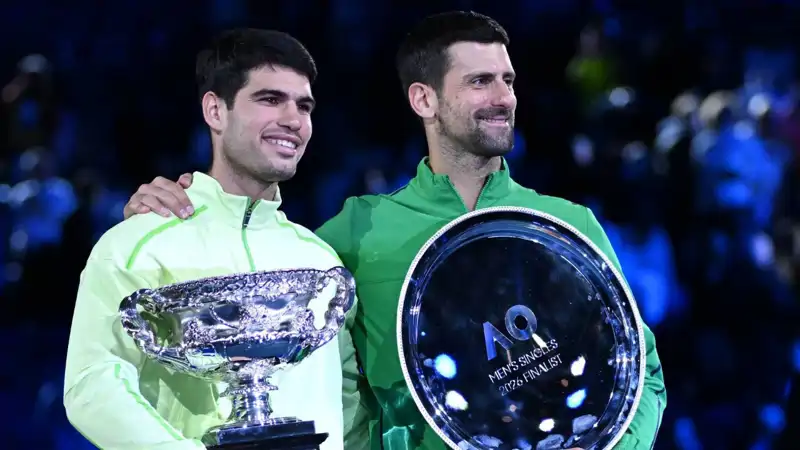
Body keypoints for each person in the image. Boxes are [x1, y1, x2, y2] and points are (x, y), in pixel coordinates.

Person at [122, 12, 666, 450]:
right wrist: (186, 208)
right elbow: (253, 275)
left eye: (508, 80)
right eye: (479, 82)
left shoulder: (568, 224)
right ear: (424, 99)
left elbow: (641, 376)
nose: (503, 98)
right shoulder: (354, 234)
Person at [64, 28, 367, 450]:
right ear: (215, 111)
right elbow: (92, 384)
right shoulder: (138, 243)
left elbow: (348, 406)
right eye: (270, 99)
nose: (294, 120)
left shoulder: (320, 261)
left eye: (304, 106)